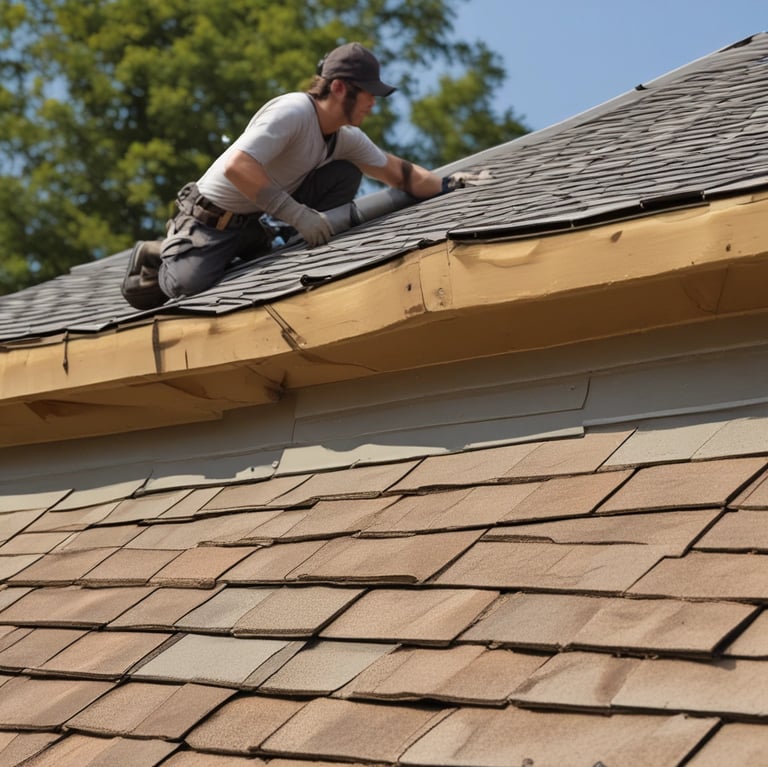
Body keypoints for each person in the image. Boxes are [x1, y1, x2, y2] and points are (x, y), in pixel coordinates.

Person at [122, 42, 460, 310]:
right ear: (340, 87)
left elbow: (397, 173)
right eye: (368, 92)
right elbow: (237, 167)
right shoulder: (293, 111)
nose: (373, 102)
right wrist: (299, 215)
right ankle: (159, 251)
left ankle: (280, 236)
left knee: (343, 173)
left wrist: (451, 183)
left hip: (256, 220)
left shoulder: (344, 137)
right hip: (209, 222)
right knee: (188, 285)